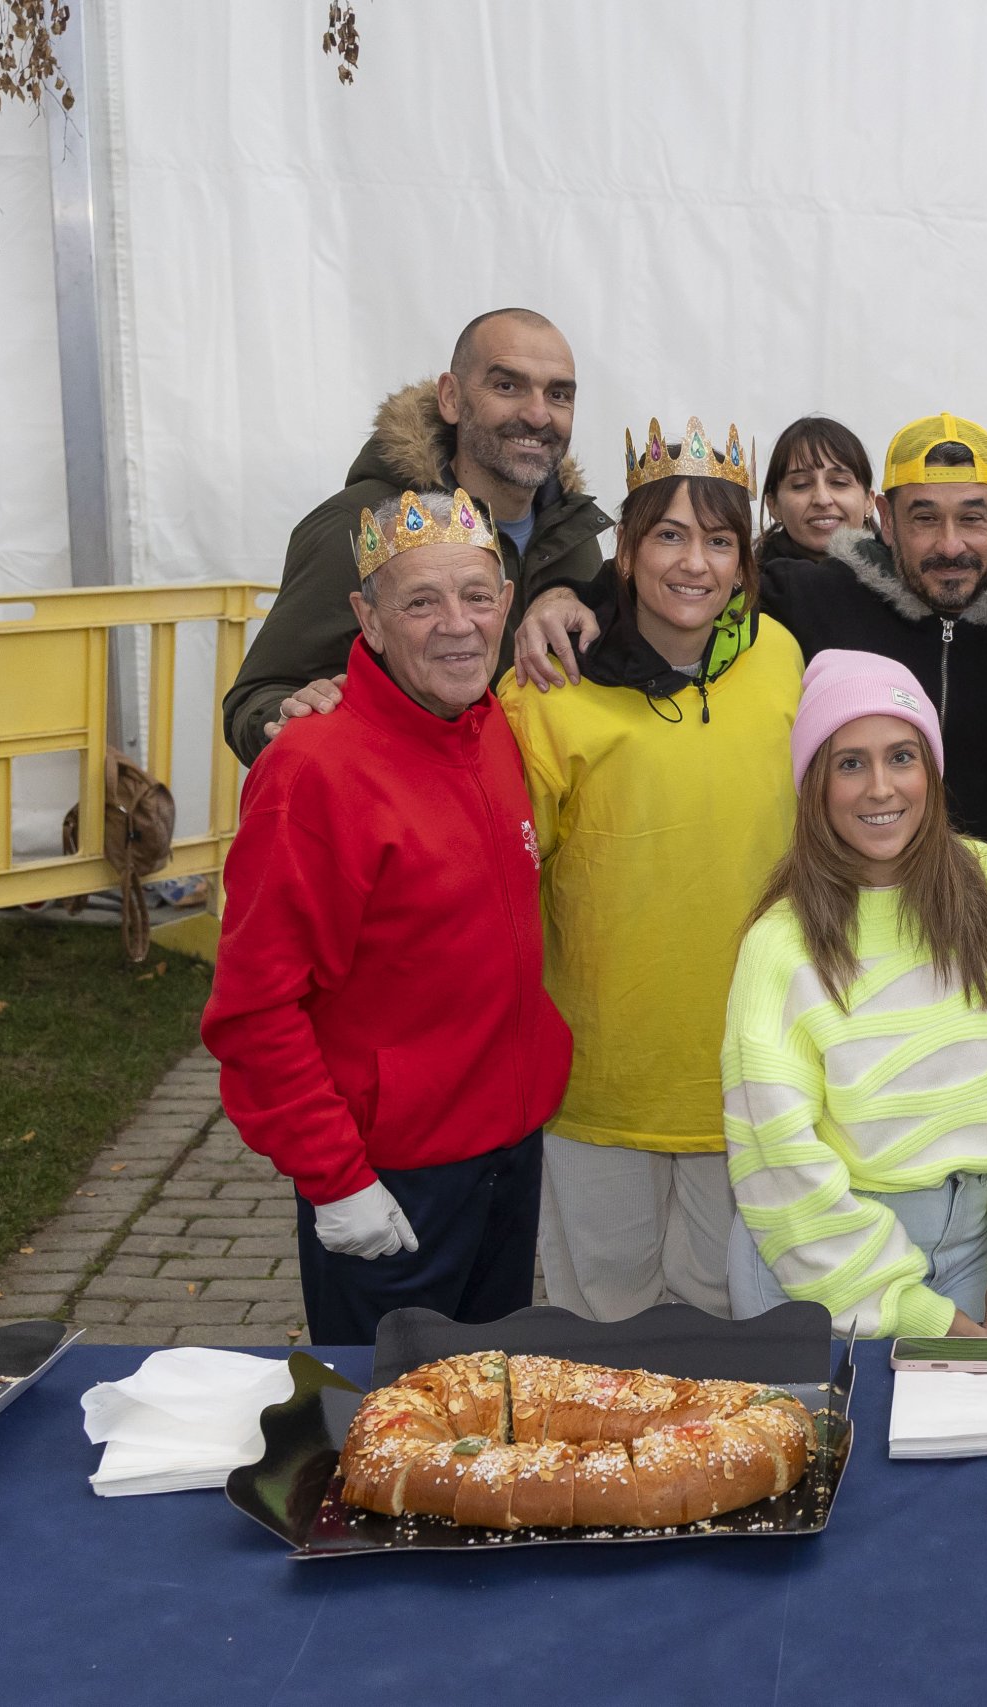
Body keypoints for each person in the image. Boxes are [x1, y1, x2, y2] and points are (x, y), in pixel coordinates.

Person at [202, 488, 570, 1344]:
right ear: (366, 620)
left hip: (507, 1155)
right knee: (386, 1438)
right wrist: (334, 1180)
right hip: (394, 1183)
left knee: (486, 1419)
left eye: (477, 596)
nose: (456, 624)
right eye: (420, 601)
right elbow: (254, 1010)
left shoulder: (494, 729)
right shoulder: (310, 772)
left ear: (506, 604)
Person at [495, 417, 802, 1322]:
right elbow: (507, 886)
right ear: (624, 553)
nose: (694, 563)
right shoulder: (548, 688)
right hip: (599, 1079)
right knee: (603, 1319)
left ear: (746, 563)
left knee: (728, 1316)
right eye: (668, 534)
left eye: (718, 540)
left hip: (747, 1071)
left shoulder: (781, 660)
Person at [723, 650, 987, 1337]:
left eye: (902, 756)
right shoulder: (781, 943)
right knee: (849, 1445)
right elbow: (781, 1159)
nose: (880, 787)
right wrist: (918, 1315)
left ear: (930, 769)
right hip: (827, 1263)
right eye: (849, 763)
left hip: (979, 1249)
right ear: (814, 783)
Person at [224, 308, 610, 763]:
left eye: (559, 394)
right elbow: (259, 695)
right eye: (508, 386)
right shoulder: (357, 524)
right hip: (406, 822)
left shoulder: (573, 529)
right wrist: (290, 716)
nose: (537, 414)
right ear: (451, 397)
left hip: (530, 822)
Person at [759, 413, 987, 887]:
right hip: (853, 920)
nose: (950, 545)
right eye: (925, 519)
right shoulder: (808, 597)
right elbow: (685, 590)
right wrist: (591, 601)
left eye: (973, 518)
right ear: (887, 520)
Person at [757, 414, 875, 571]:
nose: (822, 499)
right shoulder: (737, 591)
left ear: (869, 501)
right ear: (773, 506)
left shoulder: (911, 587)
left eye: (839, 482)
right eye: (801, 485)